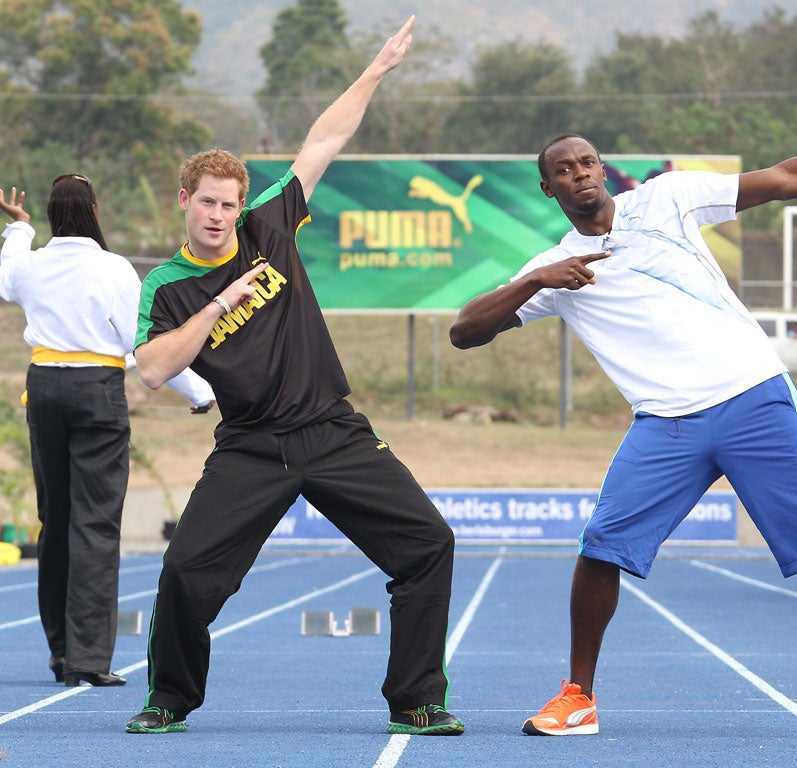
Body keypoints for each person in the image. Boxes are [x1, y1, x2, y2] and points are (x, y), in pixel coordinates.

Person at [450, 113, 797, 741]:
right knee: (600, 546)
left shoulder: (665, 197)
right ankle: (578, 696)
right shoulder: (558, 269)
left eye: (586, 163)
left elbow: (787, 178)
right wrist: (533, 281)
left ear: (603, 167)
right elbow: (464, 331)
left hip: (752, 396)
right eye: (563, 171)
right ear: (547, 189)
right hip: (665, 423)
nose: (579, 175)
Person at [124, 17, 463, 737]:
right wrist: (221, 300)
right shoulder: (167, 286)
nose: (218, 215)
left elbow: (325, 140)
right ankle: (169, 699)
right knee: (185, 573)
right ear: (183, 201)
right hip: (250, 447)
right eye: (207, 202)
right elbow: (152, 372)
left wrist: (377, 67)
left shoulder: (267, 226)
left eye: (228, 202)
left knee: (429, 544)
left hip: (332, 432)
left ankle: (416, 699)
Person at [0, 176, 214, 689]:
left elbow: (6, 280)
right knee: (94, 525)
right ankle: (88, 660)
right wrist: (198, 391)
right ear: (95, 209)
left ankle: (59, 652)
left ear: (52, 214)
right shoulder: (113, 268)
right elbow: (142, 342)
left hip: (44, 387)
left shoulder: (33, 260)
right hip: (97, 389)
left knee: (56, 520)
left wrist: (19, 230)